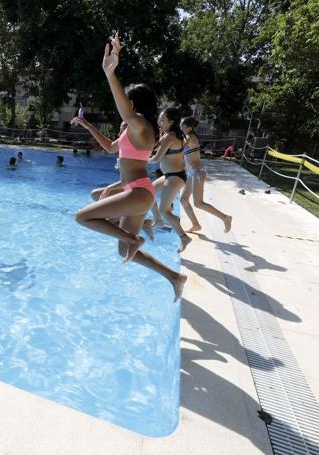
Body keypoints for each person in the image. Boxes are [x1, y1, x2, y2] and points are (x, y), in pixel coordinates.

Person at [72, 32, 186, 300]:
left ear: (135, 104)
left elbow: (125, 113)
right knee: (123, 251)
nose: (126, 107)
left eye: (129, 101)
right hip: (136, 192)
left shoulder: (142, 126)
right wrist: (88, 125)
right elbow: (111, 148)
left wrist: (110, 72)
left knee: (83, 216)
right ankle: (175, 277)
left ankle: (137, 236)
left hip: (137, 193)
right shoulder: (131, 131)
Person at [148, 107, 191, 252]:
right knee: (149, 193)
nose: (159, 122)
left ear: (171, 122)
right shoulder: (172, 135)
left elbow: (156, 158)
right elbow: (154, 149)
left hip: (174, 177)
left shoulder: (170, 136)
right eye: (159, 119)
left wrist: (138, 160)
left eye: (163, 120)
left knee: (164, 210)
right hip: (171, 175)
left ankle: (184, 237)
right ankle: (159, 221)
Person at [180, 117, 232, 233]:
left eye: (182, 125)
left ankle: (225, 218)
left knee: (198, 203)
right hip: (190, 173)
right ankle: (196, 225)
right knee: (183, 200)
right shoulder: (186, 137)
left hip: (197, 172)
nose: (180, 127)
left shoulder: (190, 137)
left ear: (189, 128)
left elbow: (178, 148)